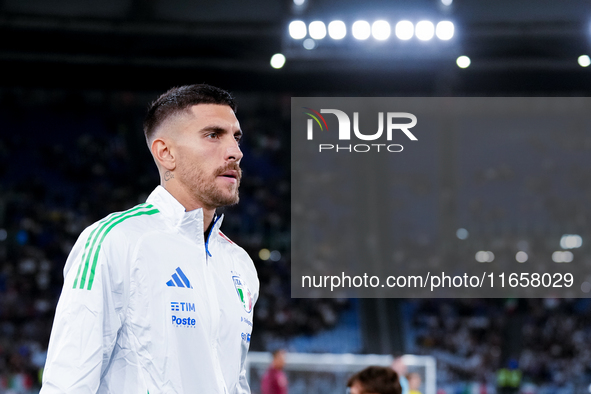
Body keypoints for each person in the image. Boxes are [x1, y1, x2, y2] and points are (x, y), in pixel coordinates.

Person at [40, 84, 259, 393]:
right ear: (165, 153)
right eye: (213, 135)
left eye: (236, 137)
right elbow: (67, 383)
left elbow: (232, 381)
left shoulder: (239, 263)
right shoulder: (115, 240)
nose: (235, 152)